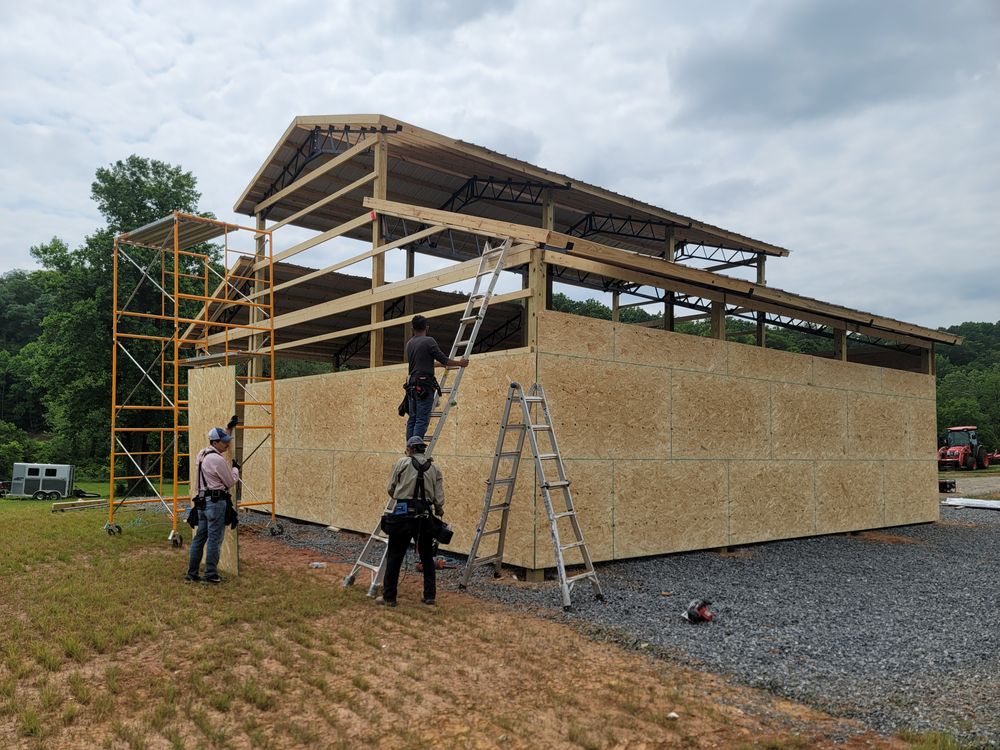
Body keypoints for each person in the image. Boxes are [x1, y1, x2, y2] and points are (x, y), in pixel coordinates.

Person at [379, 435, 445, 607]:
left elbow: (391, 489)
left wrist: (402, 495)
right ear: (422, 450)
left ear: (410, 449)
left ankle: (389, 598)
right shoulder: (435, 469)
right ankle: (429, 595)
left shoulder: (402, 463)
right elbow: (439, 499)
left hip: (402, 514)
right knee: (427, 557)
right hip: (424, 516)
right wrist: (438, 510)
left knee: (395, 556)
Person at [185, 426, 239, 583]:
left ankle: (192, 574)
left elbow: (221, 444)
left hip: (202, 503)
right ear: (215, 442)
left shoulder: (201, 454)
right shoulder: (217, 459)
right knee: (214, 539)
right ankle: (210, 575)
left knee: (199, 539)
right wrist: (235, 469)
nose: (227, 445)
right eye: (224, 443)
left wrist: (228, 429)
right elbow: (229, 482)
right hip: (215, 504)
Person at [404, 314, 469, 441]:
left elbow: (421, 363)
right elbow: (444, 359)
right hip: (423, 385)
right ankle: (415, 449)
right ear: (426, 327)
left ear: (412, 328)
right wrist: (460, 363)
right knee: (421, 419)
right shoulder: (429, 341)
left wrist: (438, 365)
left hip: (411, 384)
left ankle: (409, 448)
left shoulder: (410, 343)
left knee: (412, 418)